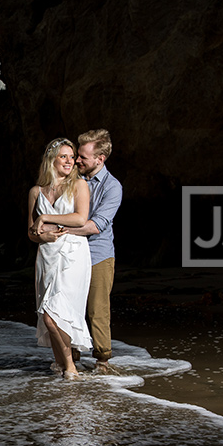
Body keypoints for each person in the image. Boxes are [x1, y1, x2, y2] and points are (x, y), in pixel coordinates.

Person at [27, 138, 93, 379]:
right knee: (49, 315)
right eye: (63, 156)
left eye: (71, 156)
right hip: (46, 255)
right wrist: (41, 235)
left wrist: (45, 218)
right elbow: (30, 233)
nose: (70, 161)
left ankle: (71, 367)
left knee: (54, 312)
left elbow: (80, 219)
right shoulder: (36, 191)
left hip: (73, 253)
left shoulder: (79, 185)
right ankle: (62, 365)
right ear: (51, 160)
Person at [61, 129, 123, 373]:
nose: (77, 161)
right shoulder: (72, 179)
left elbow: (96, 226)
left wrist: (60, 229)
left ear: (100, 159)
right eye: (78, 155)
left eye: (83, 157)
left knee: (97, 310)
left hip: (99, 255)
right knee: (70, 308)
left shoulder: (112, 187)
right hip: (70, 254)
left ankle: (102, 362)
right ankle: (70, 360)